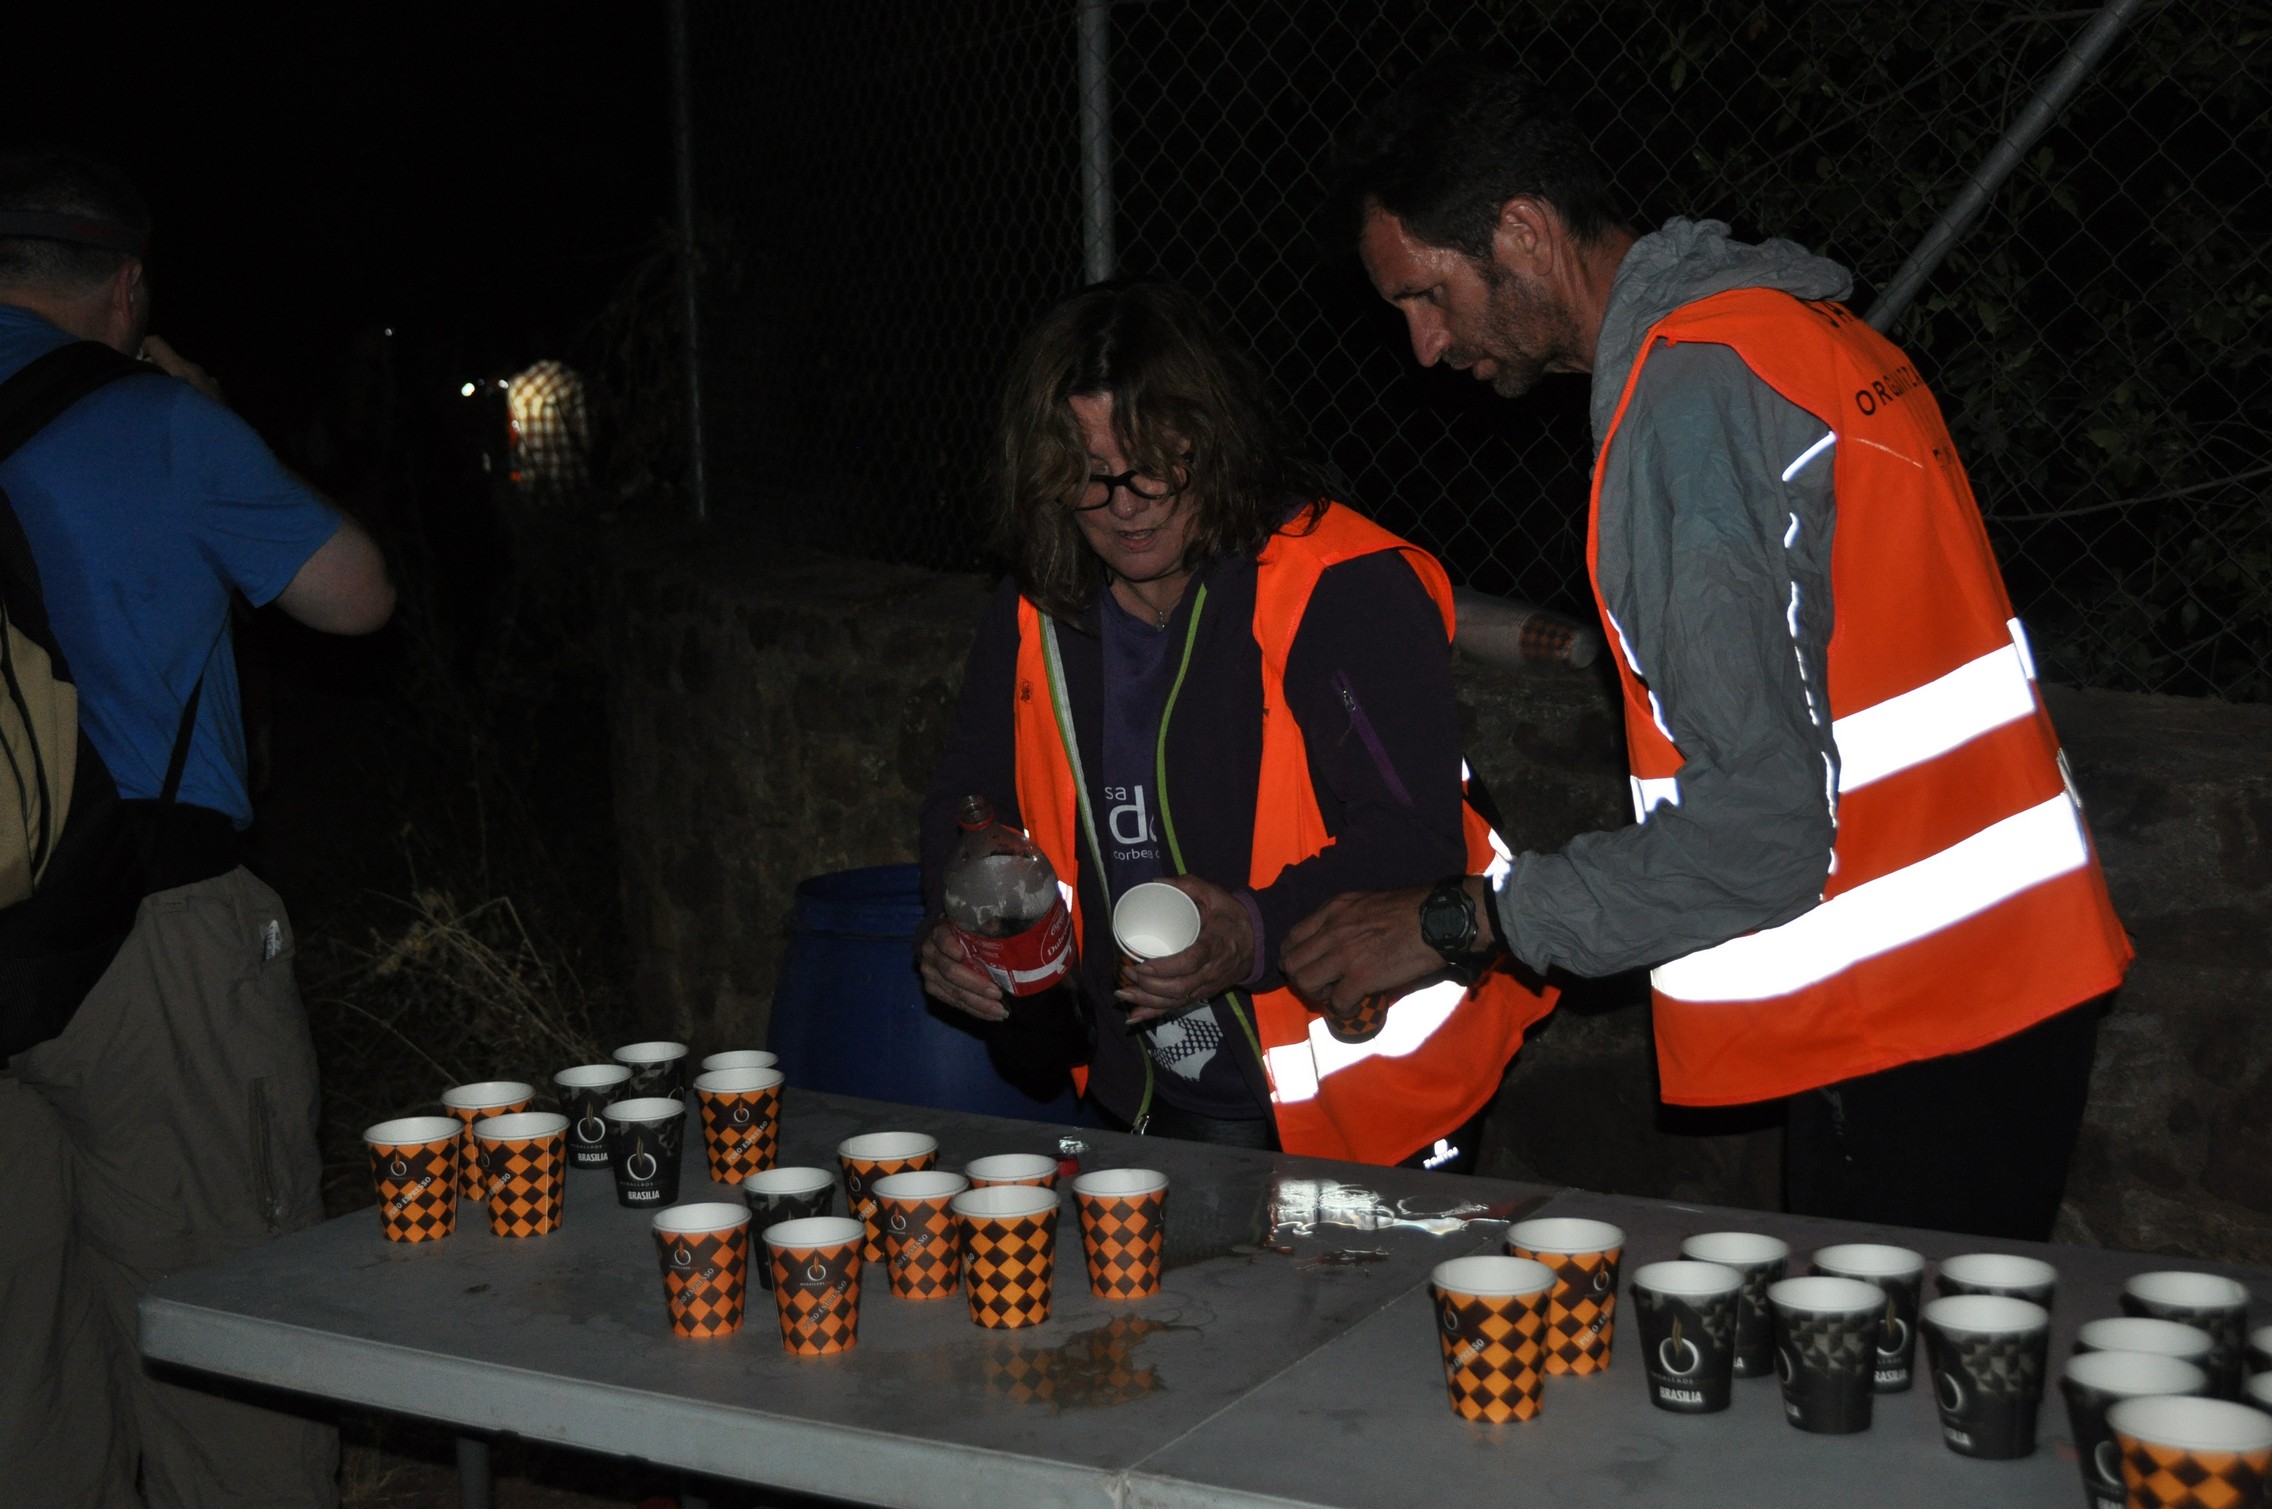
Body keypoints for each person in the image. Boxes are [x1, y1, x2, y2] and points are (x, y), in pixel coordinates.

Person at [1283, 58, 2131, 1240]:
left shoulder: (1689, 406)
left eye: (1427, 294)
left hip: (1910, 1022)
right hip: (1987, 987)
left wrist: (1458, 923)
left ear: (1521, 232)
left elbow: (1759, 835)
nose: (1424, 344)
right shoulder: (1792, 337)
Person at [917, 279, 1555, 1168]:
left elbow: (1415, 840)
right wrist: (953, 927)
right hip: (1144, 1088)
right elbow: (970, 794)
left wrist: (1251, 930)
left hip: (1371, 1092)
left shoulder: (1339, 587)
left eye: (1152, 463)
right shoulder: (1036, 606)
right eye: (1090, 473)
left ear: (1211, 440)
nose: (1125, 502)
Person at [0, 151, 393, 1507]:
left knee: (18, 1358)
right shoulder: (158, 420)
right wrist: (215, 422)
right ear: (125, 288)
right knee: (221, 1302)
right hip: (149, 932)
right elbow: (355, 595)